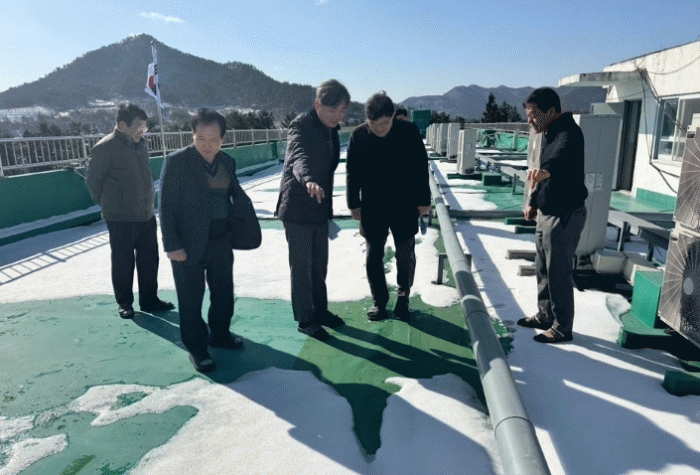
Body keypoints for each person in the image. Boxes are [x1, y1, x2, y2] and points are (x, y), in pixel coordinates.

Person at [159, 108, 246, 373]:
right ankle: (197, 348)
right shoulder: (177, 162)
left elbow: (232, 197)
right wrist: (172, 245)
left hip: (221, 240)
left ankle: (220, 334)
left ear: (223, 139)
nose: (208, 145)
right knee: (190, 299)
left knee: (223, 293)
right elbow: (166, 206)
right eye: (201, 139)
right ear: (192, 135)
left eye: (214, 139)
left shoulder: (228, 162)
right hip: (187, 244)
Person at [346, 92, 431, 322]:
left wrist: (424, 200)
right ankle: (379, 302)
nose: (380, 128)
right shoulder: (358, 135)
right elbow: (352, 172)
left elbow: (420, 166)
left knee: (405, 256)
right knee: (373, 257)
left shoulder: (408, 131)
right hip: (373, 205)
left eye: (384, 123)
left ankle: (403, 298)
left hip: (404, 203)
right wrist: (354, 204)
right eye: (374, 124)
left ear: (393, 116)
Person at [276, 79, 350, 341]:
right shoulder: (300, 126)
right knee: (302, 268)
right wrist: (308, 180)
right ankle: (305, 319)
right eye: (332, 110)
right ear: (318, 105)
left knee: (319, 266)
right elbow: (298, 157)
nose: (337, 116)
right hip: (297, 208)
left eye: (342, 110)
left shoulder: (331, 129)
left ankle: (320, 310)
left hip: (319, 206)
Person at [87, 103, 174, 320]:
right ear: (122, 125)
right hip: (120, 218)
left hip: (146, 214)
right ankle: (125, 302)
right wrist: (111, 205)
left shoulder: (141, 144)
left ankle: (149, 299)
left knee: (149, 260)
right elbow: (94, 183)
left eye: (145, 126)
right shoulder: (105, 147)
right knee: (123, 262)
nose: (142, 131)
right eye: (138, 126)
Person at [517, 87, 588, 344]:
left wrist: (545, 172)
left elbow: (559, 159)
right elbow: (542, 173)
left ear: (551, 111)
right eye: (528, 115)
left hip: (564, 214)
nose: (530, 120)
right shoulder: (548, 133)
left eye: (533, 115)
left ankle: (562, 327)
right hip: (547, 212)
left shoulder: (569, 132)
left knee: (558, 271)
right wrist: (533, 202)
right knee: (543, 268)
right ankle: (545, 314)